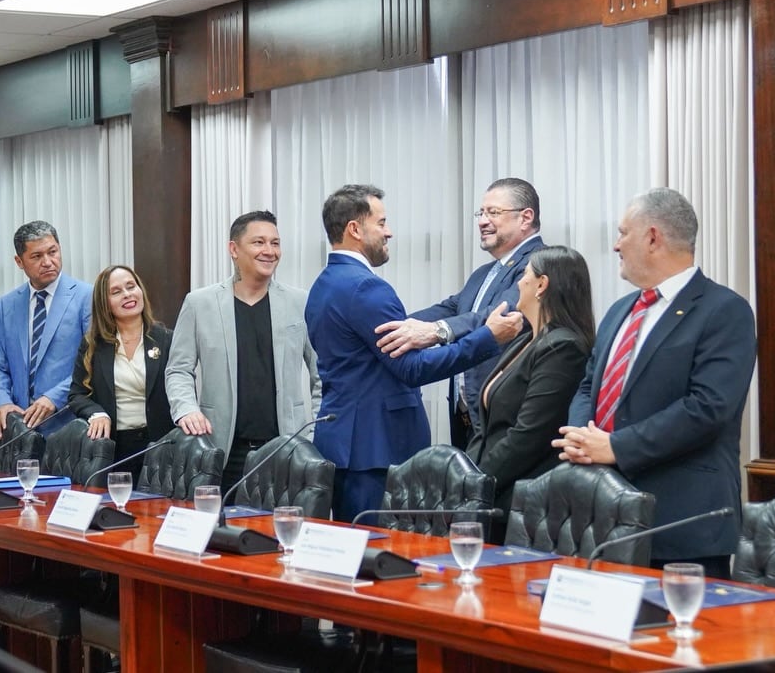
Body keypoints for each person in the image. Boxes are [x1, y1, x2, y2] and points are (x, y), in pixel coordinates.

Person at [554, 188, 756, 579]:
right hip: (603, 519)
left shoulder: (724, 310)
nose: (615, 245)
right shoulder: (620, 310)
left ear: (652, 237)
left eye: (622, 232)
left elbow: (708, 407)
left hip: (680, 523)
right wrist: (582, 435)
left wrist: (615, 447)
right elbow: (588, 384)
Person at [305, 184, 523, 522]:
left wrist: (424, 329)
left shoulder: (323, 284)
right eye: (381, 223)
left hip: (346, 443)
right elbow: (414, 369)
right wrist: (488, 339)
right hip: (375, 448)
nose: (388, 232)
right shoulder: (366, 286)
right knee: (379, 555)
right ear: (354, 230)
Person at [375, 178, 545, 449]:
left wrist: (435, 332)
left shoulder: (538, 263)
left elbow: (500, 315)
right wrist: (388, 325)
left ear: (525, 218)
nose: (482, 221)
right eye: (481, 213)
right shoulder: (485, 272)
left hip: (507, 416)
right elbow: (453, 307)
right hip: (469, 418)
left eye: (493, 212)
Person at [166, 210, 322, 491]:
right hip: (220, 450)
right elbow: (178, 369)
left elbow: (322, 373)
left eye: (275, 243)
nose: (269, 251)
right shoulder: (199, 303)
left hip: (285, 449)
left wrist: (315, 433)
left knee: (280, 534)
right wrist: (186, 409)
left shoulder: (300, 302)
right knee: (223, 534)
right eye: (259, 242)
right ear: (234, 249)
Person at [465, 246, 594, 541]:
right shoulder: (525, 339)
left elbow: (527, 436)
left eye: (524, 275)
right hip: (489, 493)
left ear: (542, 285)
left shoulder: (563, 347)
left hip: (521, 502)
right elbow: (487, 428)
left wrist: (474, 482)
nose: (518, 284)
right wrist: (463, 475)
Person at [0, 221, 92, 438]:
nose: (47, 262)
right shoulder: (7, 304)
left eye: (53, 252)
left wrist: (55, 397)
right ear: (19, 261)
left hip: (70, 423)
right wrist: (2, 402)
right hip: (19, 427)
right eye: (36, 257)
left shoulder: (86, 296)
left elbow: (94, 360)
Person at [69, 265, 176, 473]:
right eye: (116, 292)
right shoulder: (93, 344)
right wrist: (96, 413)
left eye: (131, 286)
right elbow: (77, 395)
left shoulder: (166, 339)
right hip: (113, 447)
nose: (127, 294)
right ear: (105, 304)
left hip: (161, 446)